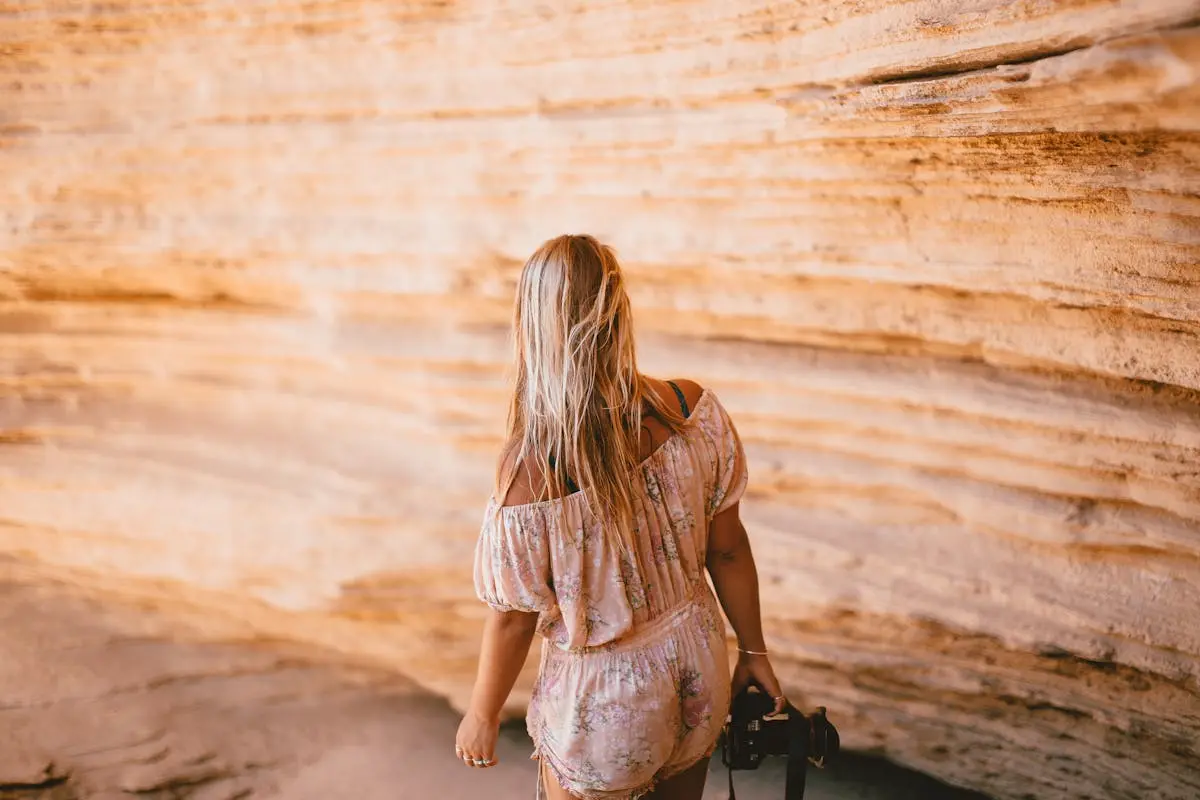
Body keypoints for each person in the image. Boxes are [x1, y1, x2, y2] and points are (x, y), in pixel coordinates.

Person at [455, 234, 785, 800]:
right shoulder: (692, 412)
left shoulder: (534, 467)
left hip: (605, 705)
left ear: (534, 326)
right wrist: (754, 652)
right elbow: (727, 550)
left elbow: (513, 619)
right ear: (618, 312)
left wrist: (483, 714)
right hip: (696, 667)